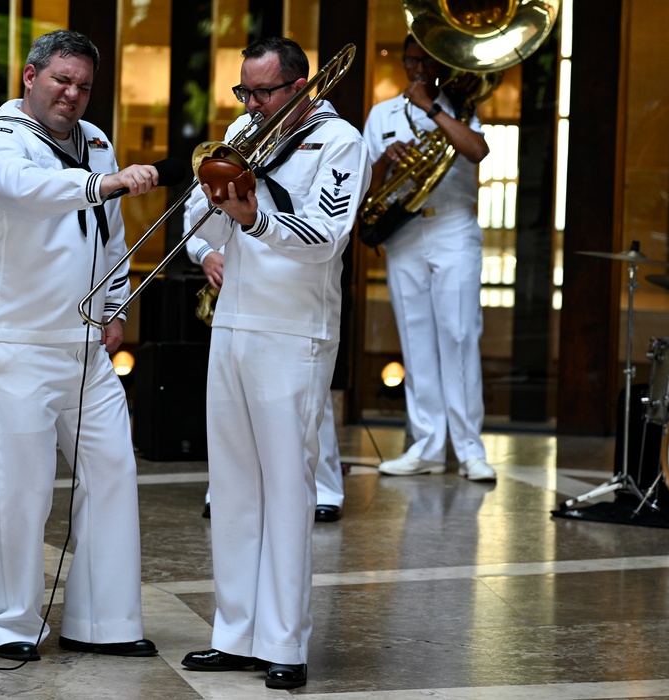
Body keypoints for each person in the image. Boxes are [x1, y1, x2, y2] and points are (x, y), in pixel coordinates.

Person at [0, 29, 160, 663]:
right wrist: (106, 185)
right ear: (30, 76)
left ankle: (104, 620)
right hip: (11, 343)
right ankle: (11, 625)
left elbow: (109, 232)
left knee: (112, 471)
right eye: (60, 81)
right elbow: (28, 193)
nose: (72, 95)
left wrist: (114, 304)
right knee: (23, 490)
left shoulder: (96, 141)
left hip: (83, 346)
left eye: (82, 86)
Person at [179, 37, 369, 689]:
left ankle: (284, 642)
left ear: (298, 86)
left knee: (288, 488)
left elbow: (327, 237)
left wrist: (257, 222)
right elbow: (194, 211)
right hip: (232, 322)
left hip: (294, 332)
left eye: (263, 92)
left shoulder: (340, 142)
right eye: (245, 92)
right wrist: (204, 250)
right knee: (231, 486)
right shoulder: (241, 129)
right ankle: (235, 634)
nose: (251, 105)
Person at [363, 35, 496, 482]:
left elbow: (476, 150)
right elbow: (363, 183)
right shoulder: (381, 114)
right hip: (404, 230)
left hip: (453, 226)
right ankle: (427, 446)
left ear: (441, 65)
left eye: (426, 61)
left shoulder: (460, 104)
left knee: (459, 333)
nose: (417, 68)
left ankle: (470, 448)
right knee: (416, 338)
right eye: (411, 60)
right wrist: (385, 160)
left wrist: (431, 108)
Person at [186, 239, 346, 522]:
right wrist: (205, 254)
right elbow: (194, 210)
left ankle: (325, 488)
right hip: (239, 287)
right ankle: (225, 490)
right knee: (235, 402)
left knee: (306, 395)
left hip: (293, 282)